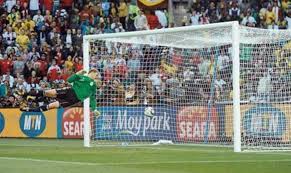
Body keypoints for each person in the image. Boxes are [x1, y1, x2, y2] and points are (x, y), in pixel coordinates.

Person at [20, 69, 100, 115]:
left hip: (74, 100)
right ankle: (25, 94)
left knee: (51, 106)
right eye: (96, 75)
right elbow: (69, 80)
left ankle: (28, 109)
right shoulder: (82, 77)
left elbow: (92, 98)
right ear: (91, 73)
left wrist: (94, 109)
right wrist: (77, 74)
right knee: (47, 92)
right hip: (70, 91)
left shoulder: (93, 86)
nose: (97, 77)